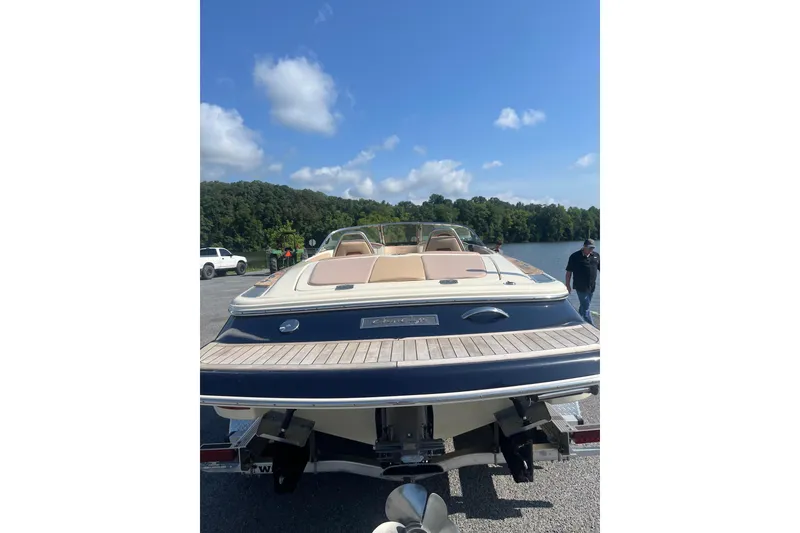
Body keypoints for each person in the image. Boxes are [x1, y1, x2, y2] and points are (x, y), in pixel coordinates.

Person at [565, 239, 600, 326]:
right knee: (586, 308)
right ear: (584, 246)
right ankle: (592, 327)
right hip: (580, 286)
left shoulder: (596, 256)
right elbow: (569, 272)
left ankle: (577, 322)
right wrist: (568, 285)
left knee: (583, 307)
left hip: (591, 286)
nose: (591, 250)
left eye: (593, 248)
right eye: (589, 248)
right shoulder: (575, 256)